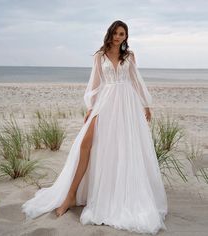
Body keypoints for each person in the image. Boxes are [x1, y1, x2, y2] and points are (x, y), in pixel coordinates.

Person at [22, 20, 168, 235]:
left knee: (121, 148)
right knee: (85, 143)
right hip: (106, 102)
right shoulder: (99, 56)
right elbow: (95, 84)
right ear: (111, 33)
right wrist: (91, 108)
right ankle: (70, 195)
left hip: (127, 105)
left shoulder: (130, 56)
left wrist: (146, 104)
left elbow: (136, 81)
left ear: (126, 37)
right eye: (117, 33)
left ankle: (112, 193)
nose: (119, 37)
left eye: (123, 34)